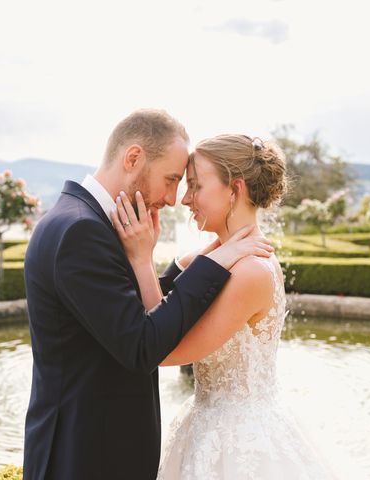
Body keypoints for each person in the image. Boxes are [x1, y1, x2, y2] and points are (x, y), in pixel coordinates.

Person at [22, 111, 274, 480]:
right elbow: (142, 343)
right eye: (171, 180)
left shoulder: (82, 222)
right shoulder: (80, 231)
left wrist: (180, 264)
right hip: (85, 459)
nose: (174, 199)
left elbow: (119, 308)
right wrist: (217, 259)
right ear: (133, 158)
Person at [114, 134, 340, 479]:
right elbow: (160, 305)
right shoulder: (211, 257)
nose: (185, 199)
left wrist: (142, 259)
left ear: (235, 190)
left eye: (195, 185)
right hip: (205, 423)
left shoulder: (251, 271)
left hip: (240, 440)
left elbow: (166, 350)